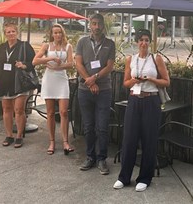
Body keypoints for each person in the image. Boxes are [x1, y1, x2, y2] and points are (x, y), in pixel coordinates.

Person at [114, 29, 170, 192]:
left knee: (149, 140)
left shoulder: (156, 59)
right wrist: (134, 80)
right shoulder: (130, 59)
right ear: (136, 42)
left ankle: (145, 178)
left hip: (151, 100)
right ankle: (124, 177)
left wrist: (151, 79)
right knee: (129, 139)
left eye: (147, 40)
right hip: (134, 100)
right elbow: (125, 83)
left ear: (150, 42)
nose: (144, 43)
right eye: (141, 40)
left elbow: (166, 82)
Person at [75, 13, 115, 175]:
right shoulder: (82, 42)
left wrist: (95, 78)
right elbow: (78, 63)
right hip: (85, 91)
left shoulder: (110, 44)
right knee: (89, 126)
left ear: (103, 26)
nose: (96, 27)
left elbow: (109, 66)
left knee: (102, 127)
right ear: (89, 25)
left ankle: (102, 159)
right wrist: (89, 81)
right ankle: (90, 157)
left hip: (104, 90)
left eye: (99, 24)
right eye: (93, 24)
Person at [0, 23, 35, 148]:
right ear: (5, 34)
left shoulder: (24, 46)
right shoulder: (1, 47)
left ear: (17, 32)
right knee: (6, 109)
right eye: (8, 32)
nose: (11, 34)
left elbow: (34, 62)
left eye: (13, 31)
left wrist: (24, 65)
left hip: (19, 83)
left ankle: (19, 136)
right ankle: (9, 135)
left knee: (19, 110)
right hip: (4, 82)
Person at [33, 23, 75, 155]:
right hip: (49, 80)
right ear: (51, 34)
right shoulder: (46, 46)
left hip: (61, 80)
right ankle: (51, 141)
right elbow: (35, 61)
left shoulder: (68, 46)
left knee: (63, 112)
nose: (57, 35)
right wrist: (50, 58)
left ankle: (65, 142)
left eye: (59, 32)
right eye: (55, 33)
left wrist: (59, 67)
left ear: (63, 34)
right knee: (50, 113)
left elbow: (71, 64)